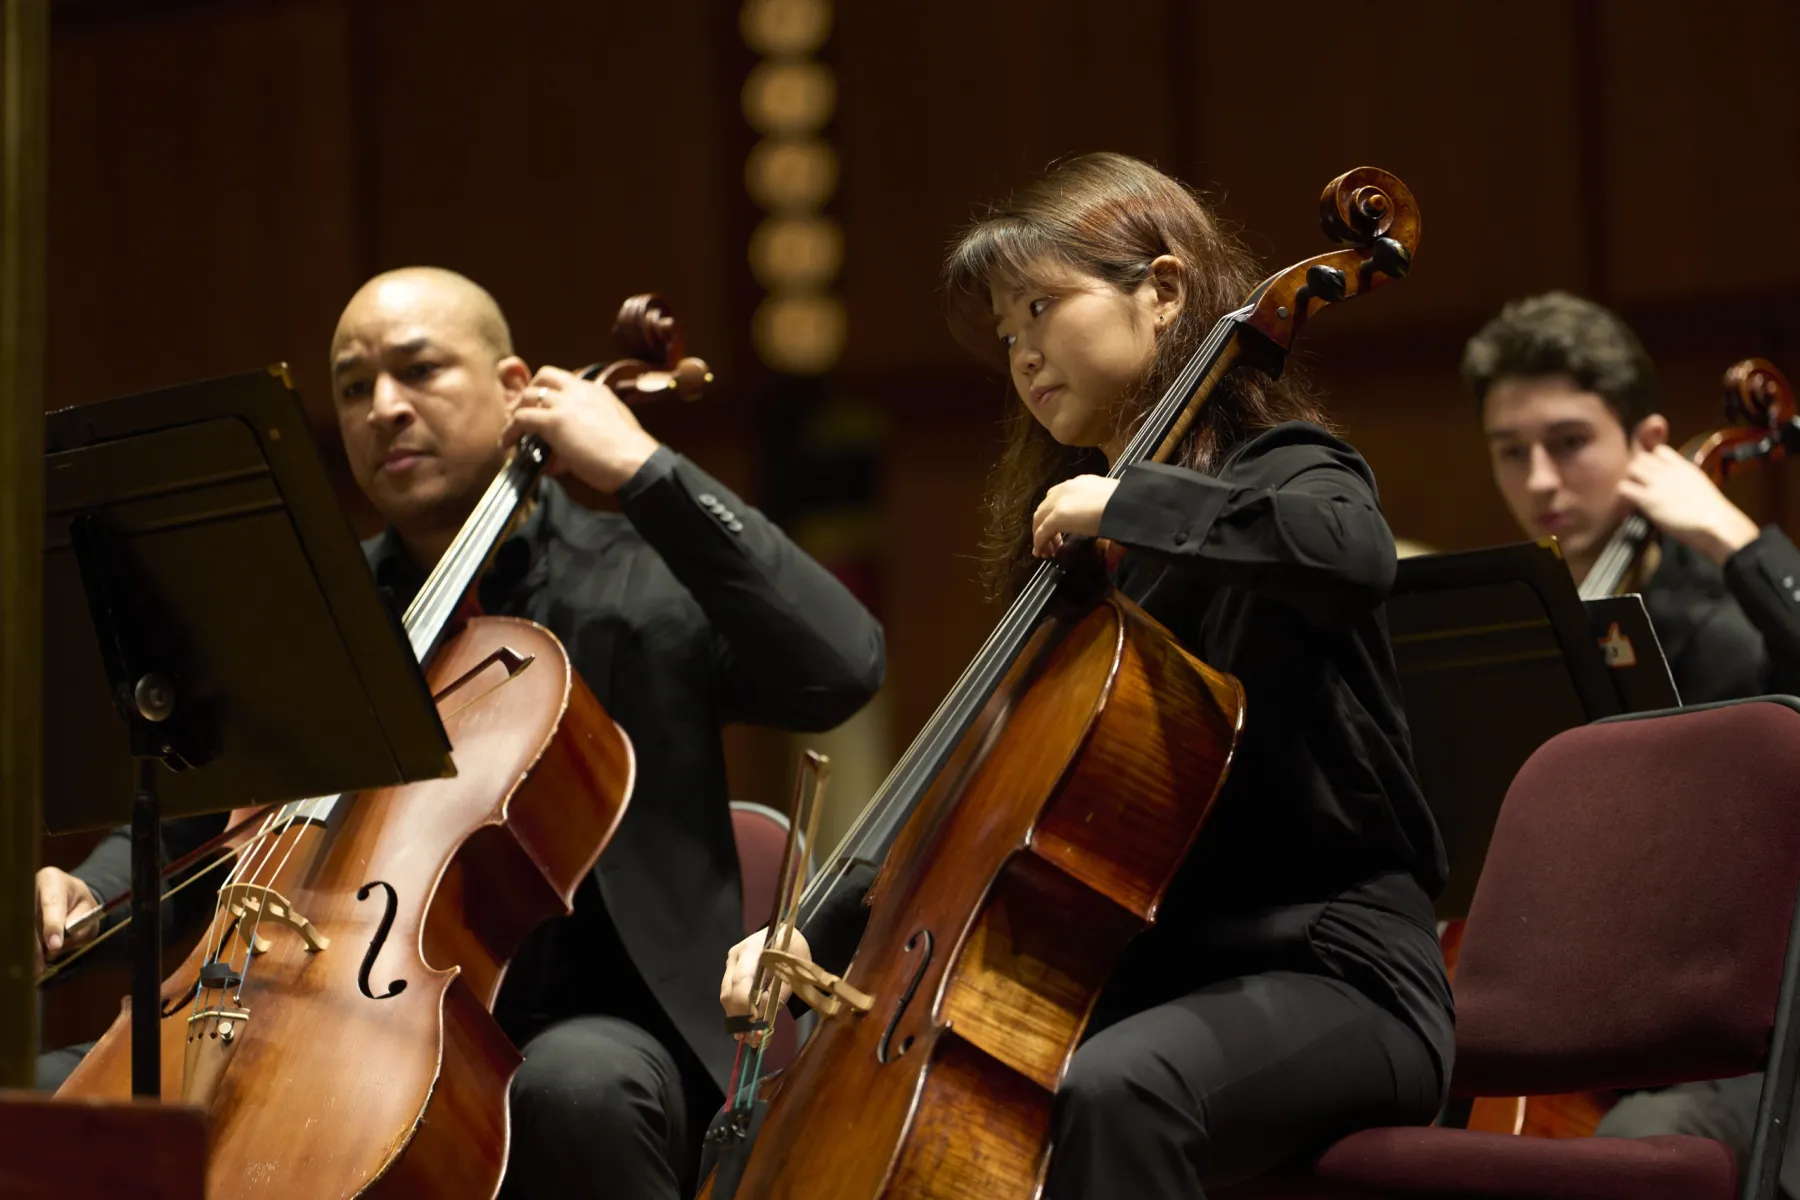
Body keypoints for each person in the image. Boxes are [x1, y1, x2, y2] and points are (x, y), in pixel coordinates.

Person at [37, 266, 885, 1200]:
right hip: (329, 1017)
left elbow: (840, 665)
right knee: (42, 1094)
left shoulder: (645, 582)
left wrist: (646, 471)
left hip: (595, 1021)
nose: (385, 408)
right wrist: (83, 889)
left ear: (517, 388)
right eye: (356, 387)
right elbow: (193, 818)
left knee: (574, 1089)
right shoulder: (313, 610)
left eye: (419, 370)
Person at [718, 153, 1453, 1197]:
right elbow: (972, 820)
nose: (1021, 354)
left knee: (1117, 1089)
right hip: (1154, 980)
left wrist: (1129, 503)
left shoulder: (1282, 473)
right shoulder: (1082, 572)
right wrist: (807, 939)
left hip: (1336, 974)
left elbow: (1351, 553)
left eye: (1041, 308)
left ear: (1160, 292)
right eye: (1007, 335)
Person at [1465, 290, 1800, 1191]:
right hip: (1559, 1018)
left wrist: (1734, 539)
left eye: (1569, 443)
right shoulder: (1506, 633)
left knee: (1626, 1151)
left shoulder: (1735, 623)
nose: (1539, 481)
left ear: (1647, 445)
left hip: (1733, 1051)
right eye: (1511, 452)